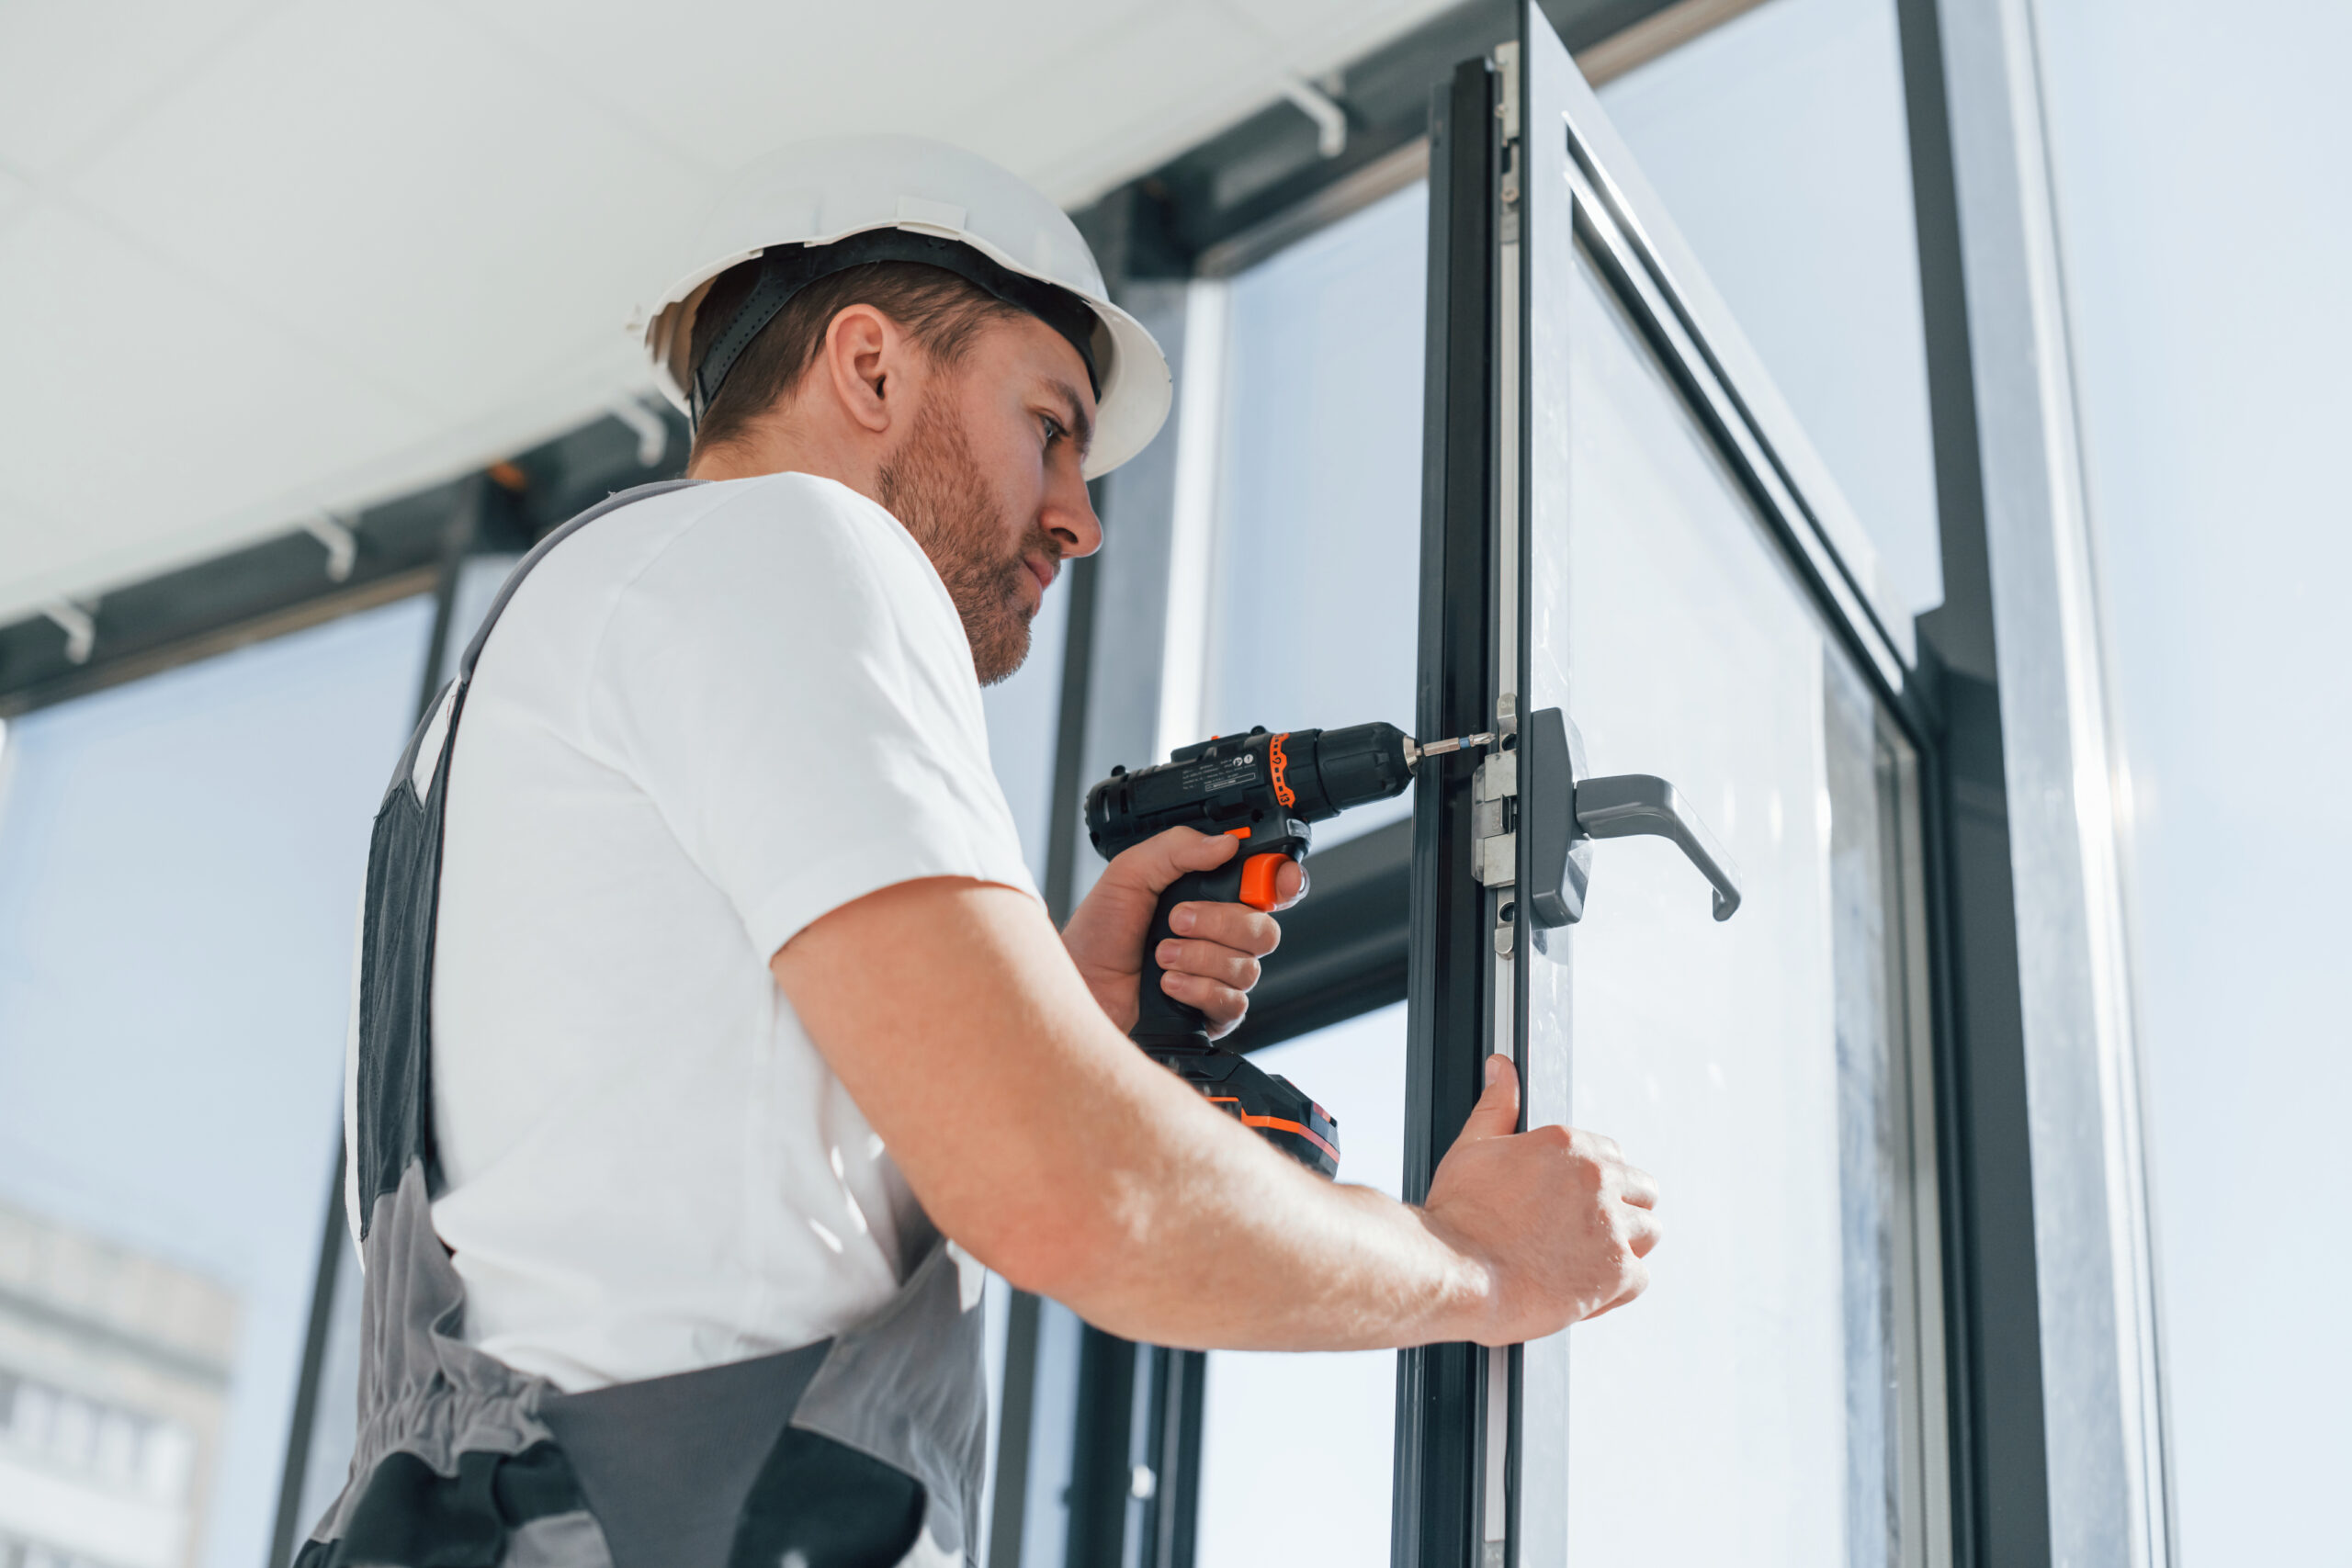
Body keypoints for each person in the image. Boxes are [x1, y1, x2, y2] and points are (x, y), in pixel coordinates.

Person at [302, 136, 1659, 1568]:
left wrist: (1052, 1016)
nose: (1079, 517)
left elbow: (684, 1214)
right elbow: (1083, 1198)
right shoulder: (795, 549)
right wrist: (1479, 1264)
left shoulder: (520, 676)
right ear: (871, 370)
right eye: (1050, 428)